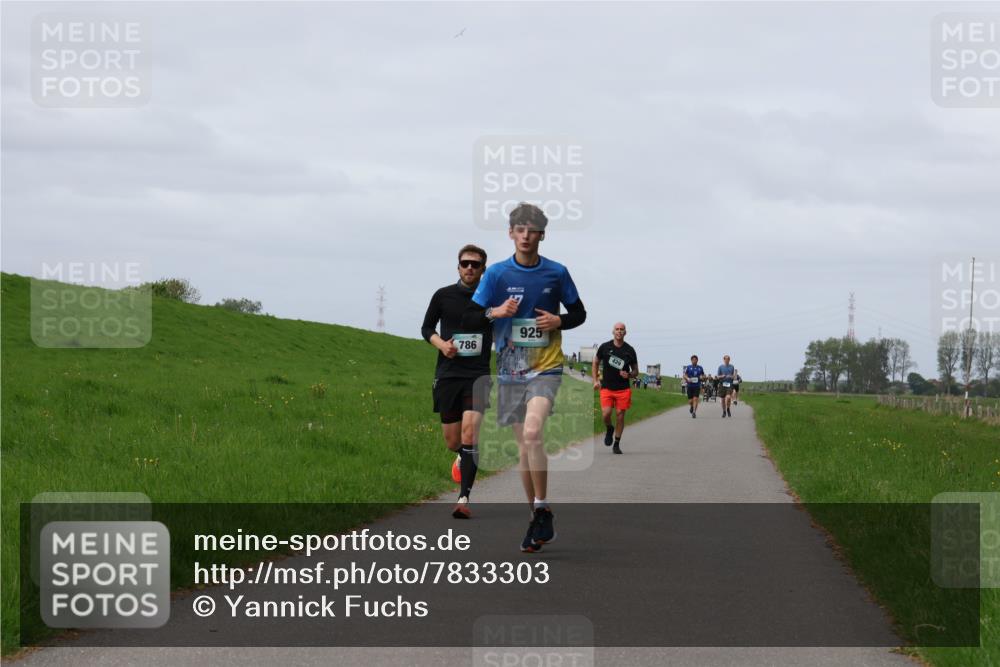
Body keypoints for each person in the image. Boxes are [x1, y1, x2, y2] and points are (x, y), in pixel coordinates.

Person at [463, 203, 586, 553]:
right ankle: (536, 516)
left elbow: (579, 312)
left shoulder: (556, 273)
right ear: (511, 233)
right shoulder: (497, 274)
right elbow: (471, 315)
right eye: (520, 229)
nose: (526, 236)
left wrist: (560, 321)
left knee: (533, 432)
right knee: (524, 447)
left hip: (546, 366)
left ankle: (542, 505)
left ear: (542, 235)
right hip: (510, 370)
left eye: (532, 230)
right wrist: (495, 312)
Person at [421, 244, 492, 519]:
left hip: (478, 374)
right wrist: (441, 345)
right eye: (465, 263)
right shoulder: (443, 295)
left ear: (483, 269)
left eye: (475, 264)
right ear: (458, 266)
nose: (470, 268)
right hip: (448, 374)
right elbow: (427, 328)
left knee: (470, 433)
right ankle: (463, 454)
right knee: (453, 442)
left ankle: (463, 498)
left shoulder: (490, 300)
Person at [592, 322, 638, 455]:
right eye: (617, 329)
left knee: (619, 415)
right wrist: (595, 380)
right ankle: (609, 428)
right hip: (607, 387)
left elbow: (636, 371)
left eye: (621, 329)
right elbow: (595, 363)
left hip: (623, 389)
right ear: (613, 332)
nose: (619, 331)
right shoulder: (605, 347)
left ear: (625, 332)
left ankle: (616, 444)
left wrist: (629, 374)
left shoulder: (629, 350)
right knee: (606, 414)